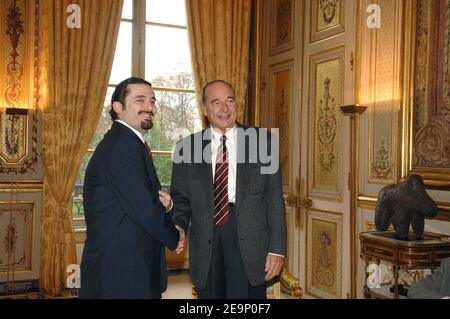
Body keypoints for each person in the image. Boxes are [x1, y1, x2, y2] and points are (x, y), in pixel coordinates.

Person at [170, 80, 286, 299]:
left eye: (229, 101)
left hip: (251, 240)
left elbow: (274, 199)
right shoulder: (187, 148)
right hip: (207, 237)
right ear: (204, 109)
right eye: (216, 102)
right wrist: (179, 226)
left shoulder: (263, 142)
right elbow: (181, 199)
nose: (224, 108)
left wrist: (277, 249)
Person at [80, 77, 181, 299]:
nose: (149, 107)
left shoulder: (128, 142)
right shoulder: (123, 145)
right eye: (140, 100)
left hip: (127, 267)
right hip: (121, 273)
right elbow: (144, 210)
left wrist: (166, 205)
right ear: (118, 107)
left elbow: (137, 199)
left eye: (152, 101)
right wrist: (175, 237)